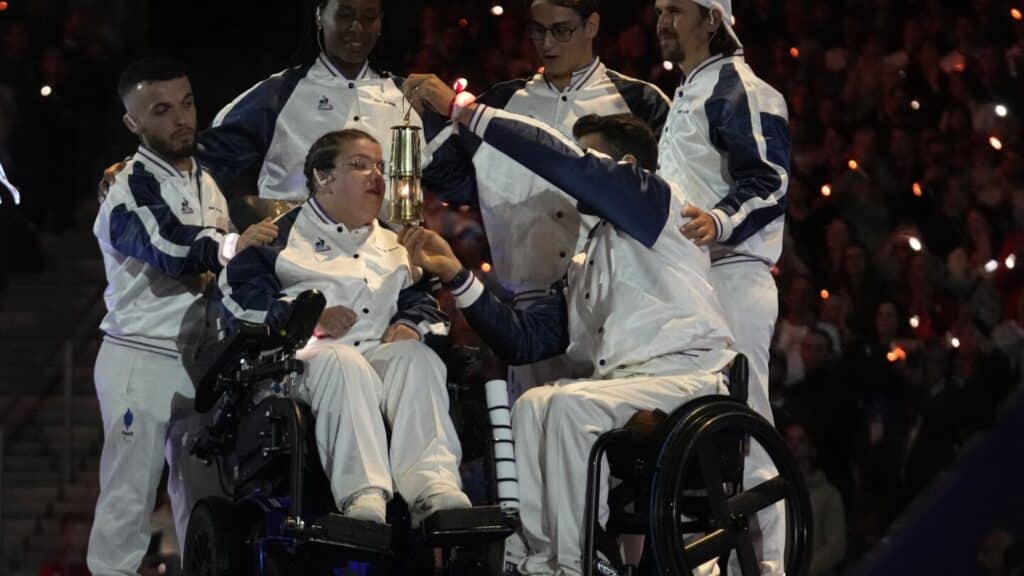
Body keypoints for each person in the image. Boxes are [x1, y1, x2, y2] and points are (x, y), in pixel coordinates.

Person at [401, 94, 737, 573]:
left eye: (587, 154)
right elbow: (525, 340)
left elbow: (565, 163)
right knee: (534, 404)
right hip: (628, 385)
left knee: (565, 407)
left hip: (690, 375)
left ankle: (577, 560)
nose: (571, 169)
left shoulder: (655, 202)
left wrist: (467, 110)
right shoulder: (585, 257)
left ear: (624, 166)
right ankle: (537, 558)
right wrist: (457, 274)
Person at [410, 0, 671, 397]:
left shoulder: (641, 101)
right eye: (538, 30)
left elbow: (663, 199)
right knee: (536, 440)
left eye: (561, 30)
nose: (547, 43)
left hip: (618, 302)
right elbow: (457, 185)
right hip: (529, 309)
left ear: (592, 24)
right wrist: (419, 119)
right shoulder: (500, 103)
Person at [218, 128, 471, 525]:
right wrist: (308, 316)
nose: (376, 177)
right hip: (301, 361)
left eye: (380, 167)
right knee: (342, 362)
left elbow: (422, 301)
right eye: (359, 165)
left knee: (415, 358)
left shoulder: (395, 243)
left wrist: (409, 324)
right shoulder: (277, 236)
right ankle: (363, 497)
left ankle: (433, 491)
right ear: (323, 176)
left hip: (377, 354)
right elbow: (240, 301)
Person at [88, 58, 278, 576]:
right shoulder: (127, 190)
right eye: (162, 110)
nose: (181, 119)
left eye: (188, 103)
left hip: (199, 362)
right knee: (128, 496)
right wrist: (234, 243)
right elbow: (171, 247)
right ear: (133, 123)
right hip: (140, 357)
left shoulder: (205, 182)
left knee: (202, 500)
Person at [655, 0, 791, 571]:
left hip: (733, 275)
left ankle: (771, 567)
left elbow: (770, 180)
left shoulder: (741, 87)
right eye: (659, 10)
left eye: (676, 10)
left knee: (747, 430)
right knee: (703, 434)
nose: (662, 21)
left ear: (712, 19)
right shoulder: (686, 93)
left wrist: (719, 218)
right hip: (691, 283)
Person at [197, 0, 459, 202]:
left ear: (380, 23)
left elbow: (462, 182)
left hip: (390, 266)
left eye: (369, 18)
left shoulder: (407, 98)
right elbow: (200, 167)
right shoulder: (278, 94)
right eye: (345, 15)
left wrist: (455, 112)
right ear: (320, 15)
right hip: (298, 265)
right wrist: (222, 237)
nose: (357, 28)